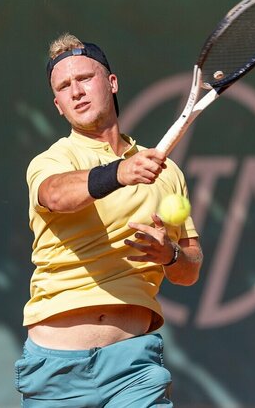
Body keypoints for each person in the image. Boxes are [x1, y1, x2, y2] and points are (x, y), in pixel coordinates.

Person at [15, 33, 203, 407]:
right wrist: (119, 172)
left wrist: (169, 255)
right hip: (56, 371)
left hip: (134, 369)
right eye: (64, 87)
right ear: (58, 105)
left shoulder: (167, 174)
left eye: (85, 78)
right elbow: (55, 195)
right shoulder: (52, 161)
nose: (76, 92)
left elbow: (190, 269)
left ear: (111, 83)